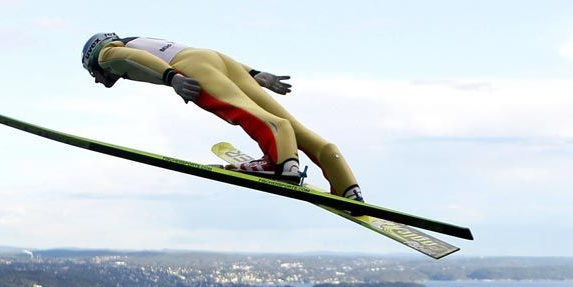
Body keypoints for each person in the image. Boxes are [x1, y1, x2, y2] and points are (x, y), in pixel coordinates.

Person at [80, 33, 364, 201]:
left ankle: (281, 163)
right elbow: (204, 56)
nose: (96, 79)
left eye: (92, 73)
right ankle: (343, 178)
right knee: (285, 119)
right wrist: (254, 74)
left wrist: (172, 78)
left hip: (188, 65)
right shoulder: (145, 40)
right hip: (213, 57)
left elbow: (136, 61)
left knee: (238, 108)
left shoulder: (107, 53)